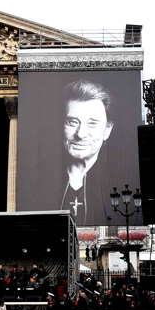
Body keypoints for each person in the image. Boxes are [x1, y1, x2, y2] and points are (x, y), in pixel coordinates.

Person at [60, 80, 114, 224]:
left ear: (107, 130)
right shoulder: (40, 183)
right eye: (72, 122)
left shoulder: (119, 185)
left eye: (92, 123)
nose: (81, 134)